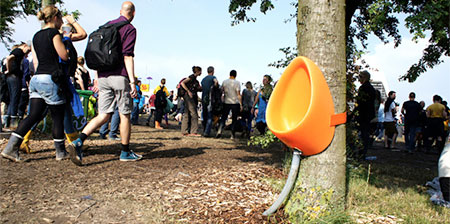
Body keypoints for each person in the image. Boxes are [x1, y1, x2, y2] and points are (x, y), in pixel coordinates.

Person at [69, 1, 140, 165]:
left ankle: (78, 141)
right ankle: (125, 151)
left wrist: (96, 77)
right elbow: (127, 55)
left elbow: (96, 54)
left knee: (103, 114)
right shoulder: (129, 29)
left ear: (120, 11)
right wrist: (132, 81)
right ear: (133, 13)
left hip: (102, 76)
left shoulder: (105, 26)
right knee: (124, 114)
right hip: (120, 76)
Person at [1, 5, 69, 162]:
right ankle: (61, 152)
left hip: (36, 78)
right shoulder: (54, 33)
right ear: (54, 18)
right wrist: (67, 49)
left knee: (33, 115)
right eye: (60, 18)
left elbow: (36, 60)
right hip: (50, 78)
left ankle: (11, 147)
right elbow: (63, 56)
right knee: (58, 116)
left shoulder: (36, 36)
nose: (61, 22)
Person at [3, 42, 31, 128]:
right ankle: (13, 121)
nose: (27, 53)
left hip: (9, 77)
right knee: (15, 98)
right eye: (28, 51)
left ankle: (7, 120)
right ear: (25, 46)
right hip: (15, 77)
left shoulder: (15, 51)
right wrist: (9, 69)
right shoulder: (19, 51)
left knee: (12, 98)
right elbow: (9, 58)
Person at [355, 71, 376, 158]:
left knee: (362, 134)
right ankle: (363, 151)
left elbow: (360, 102)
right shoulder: (372, 89)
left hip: (362, 114)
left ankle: (361, 151)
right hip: (369, 114)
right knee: (365, 133)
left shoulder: (363, 88)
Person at [216, 70, 241, 139]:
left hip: (226, 102)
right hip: (234, 102)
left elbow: (222, 91)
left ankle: (220, 130)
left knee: (223, 117)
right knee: (234, 119)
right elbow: (238, 94)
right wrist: (241, 104)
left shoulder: (224, 82)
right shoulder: (237, 83)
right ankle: (232, 134)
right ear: (235, 75)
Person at [180, 66, 202, 136]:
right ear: (198, 71)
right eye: (200, 71)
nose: (201, 73)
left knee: (186, 113)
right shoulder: (191, 77)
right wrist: (188, 91)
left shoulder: (195, 80)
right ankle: (193, 131)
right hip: (189, 97)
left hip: (188, 97)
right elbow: (182, 83)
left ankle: (184, 131)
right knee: (194, 114)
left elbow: (197, 88)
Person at [201, 66, 218, 137]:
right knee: (210, 116)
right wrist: (215, 87)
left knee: (204, 115)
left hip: (203, 98)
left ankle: (204, 129)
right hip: (210, 98)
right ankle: (207, 132)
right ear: (213, 71)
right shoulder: (213, 77)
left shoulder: (203, 79)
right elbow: (216, 82)